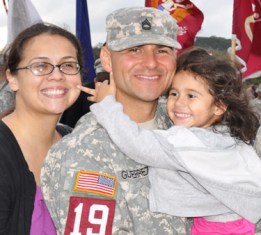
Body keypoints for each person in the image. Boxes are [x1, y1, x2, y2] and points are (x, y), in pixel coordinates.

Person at [41, 6, 191, 235]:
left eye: (162, 50)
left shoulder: (192, 128)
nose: (151, 62)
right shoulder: (83, 151)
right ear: (107, 59)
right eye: (135, 50)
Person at [83, 47, 261, 235]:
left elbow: (136, 142)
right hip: (240, 222)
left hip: (217, 229)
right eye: (174, 94)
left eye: (191, 96)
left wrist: (107, 105)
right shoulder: (227, 136)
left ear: (219, 106)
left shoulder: (189, 141)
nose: (179, 103)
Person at [0, 22, 83, 234]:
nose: (57, 75)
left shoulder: (80, 145)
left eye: (68, 65)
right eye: (41, 66)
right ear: (13, 79)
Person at [59, 57, 109, 128]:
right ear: (96, 80)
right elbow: (68, 125)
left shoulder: (125, 93)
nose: (106, 83)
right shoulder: (80, 93)